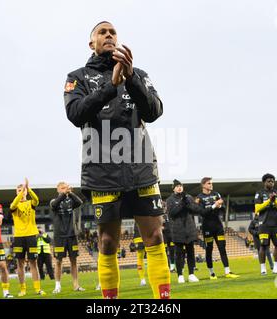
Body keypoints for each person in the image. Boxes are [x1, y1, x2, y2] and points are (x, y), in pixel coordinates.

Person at [64, 21, 169, 299]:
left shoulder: (139, 74)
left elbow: (155, 110)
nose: (109, 35)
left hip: (142, 168)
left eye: (113, 32)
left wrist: (131, 78)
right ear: (92, 43)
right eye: (102, 32)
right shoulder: (78, 77)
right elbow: (75, 114)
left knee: (155, 238)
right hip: (102, 173)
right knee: (108, 242)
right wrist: (109, 87)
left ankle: (165, 300)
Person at [196, 177, 239, 279]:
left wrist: (220, 206)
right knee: (209, 249)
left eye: (211, 183)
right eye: (209, 183)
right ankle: (211, 273)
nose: (211, 185)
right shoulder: (199, 197)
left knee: (222, 248)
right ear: (203, 185)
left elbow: (223, 209)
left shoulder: (216, 194)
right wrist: (214, 205)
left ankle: (227, 271)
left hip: (218, 226)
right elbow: (202, 213)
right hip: (207, 227)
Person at [10, 178, 46, 296]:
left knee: (33, 263)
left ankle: (37, 289)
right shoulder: (14, 205)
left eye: (22, 190)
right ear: (16, 193)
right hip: (19, 237)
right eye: (19, 190)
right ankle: (23, 289)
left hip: (31, 236)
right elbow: (13, 204)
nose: (21, 192)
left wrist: (28, 189)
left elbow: (36, 199)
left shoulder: (31, 203)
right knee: (20, 263)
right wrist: (22, 191)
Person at [50, 182, 85, 293]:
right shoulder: (53, 201)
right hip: (59, 236)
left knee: (73, 260)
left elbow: (80, 202)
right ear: (58, 190)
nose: (65, 189)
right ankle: (57, 286)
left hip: (71, 235)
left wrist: (71, 193)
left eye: (66, 187)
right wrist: (63, 194)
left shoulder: (71, 201)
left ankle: (76, 285)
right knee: (59, 261)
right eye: (63, 188)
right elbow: (55, 205)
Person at [166, 180, 200, 284]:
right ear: (173, 188)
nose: (179, 188)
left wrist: (189, 203)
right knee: (179, 254)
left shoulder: (188, 197)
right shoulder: (170, 199)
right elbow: (172, 213)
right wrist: (182, 204)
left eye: (181, 186)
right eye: (177, 186)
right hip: (177, 229)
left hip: (189, 229)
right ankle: (180, 275)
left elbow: (195, 210)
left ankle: (191, 274)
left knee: (191, 252)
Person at [254, 173, 277, 275]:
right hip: (264, 224)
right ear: (264, 182)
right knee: (263, 246)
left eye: (272, 181)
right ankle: (263, 268)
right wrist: (268, 201)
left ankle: (276, 267)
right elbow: (257, 208)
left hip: (276, 223)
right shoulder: (259, 193)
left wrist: (275, 201)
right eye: (269, 181)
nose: (271, 183)